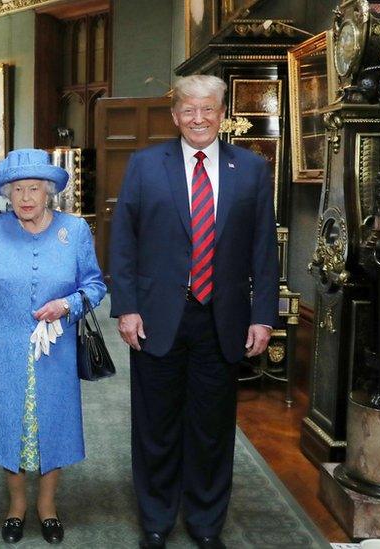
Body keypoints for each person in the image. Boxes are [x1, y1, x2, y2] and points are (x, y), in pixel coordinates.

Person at [109, 75, 279, 549]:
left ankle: (206, 522)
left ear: (222, 114)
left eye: (208, 109)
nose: (198, 118)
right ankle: (157, 520)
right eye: (188, 109)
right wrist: (126, 308)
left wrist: (262, 315)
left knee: (212, 427)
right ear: (174, 115)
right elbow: (124, 242)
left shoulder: (251, 169)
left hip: (223, 319)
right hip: (157, 316)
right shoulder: (145, 165)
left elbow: (264, 248)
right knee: (155, 425)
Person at [0, 149, 106, 545]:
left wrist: (68, 304)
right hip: (4, 347)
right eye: (17, 190)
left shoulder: (75, 230)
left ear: (48, 192)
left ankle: (47, 507)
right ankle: (16, 507)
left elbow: (95, 285)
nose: (25, 197)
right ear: (7, 195)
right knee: (11, 424)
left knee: (53, 426)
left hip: (56, 351)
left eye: (34, 188)